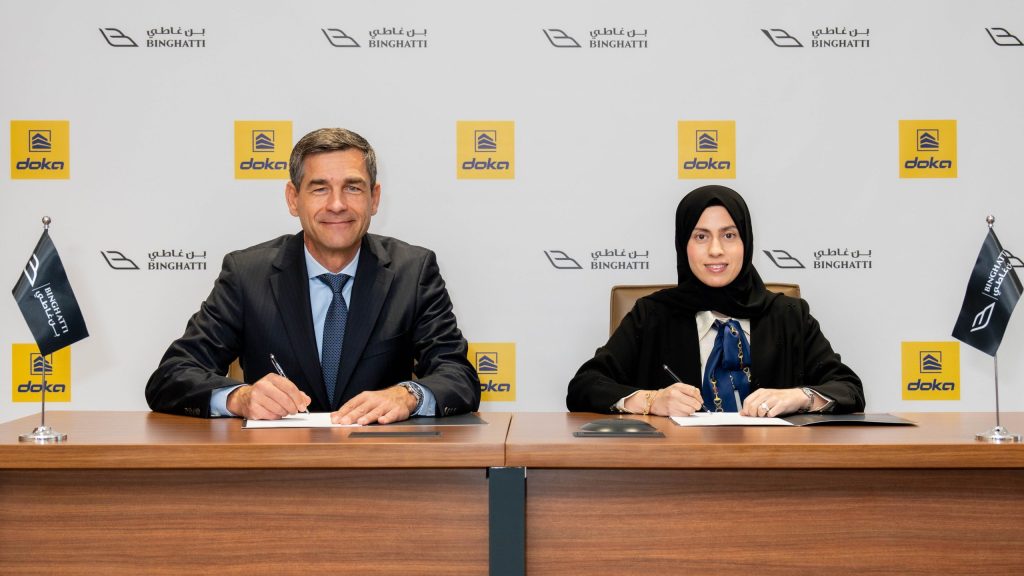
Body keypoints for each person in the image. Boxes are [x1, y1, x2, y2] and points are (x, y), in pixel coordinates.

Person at [147, 128, 479, 424]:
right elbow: (172, 376)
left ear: (374, 198)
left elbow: (458, 377)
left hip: (381, 469)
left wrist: (409, 395)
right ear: (294, 199)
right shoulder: (248, 274)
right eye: (320, 189)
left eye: (353, 188)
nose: (337, 204)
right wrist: (239, 398)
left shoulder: (413, 271)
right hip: (276, 473)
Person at [566, 185, 864, 417]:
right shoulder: (653, 314)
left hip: (775, 471)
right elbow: (584, 386)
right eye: (701, 237)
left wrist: (799, 396)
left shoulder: (788, 315)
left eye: (729, 235)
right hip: (674, 474)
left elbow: (849, 389)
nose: (716, 250)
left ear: (746, 243)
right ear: (683, 246)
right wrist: (652, 400)